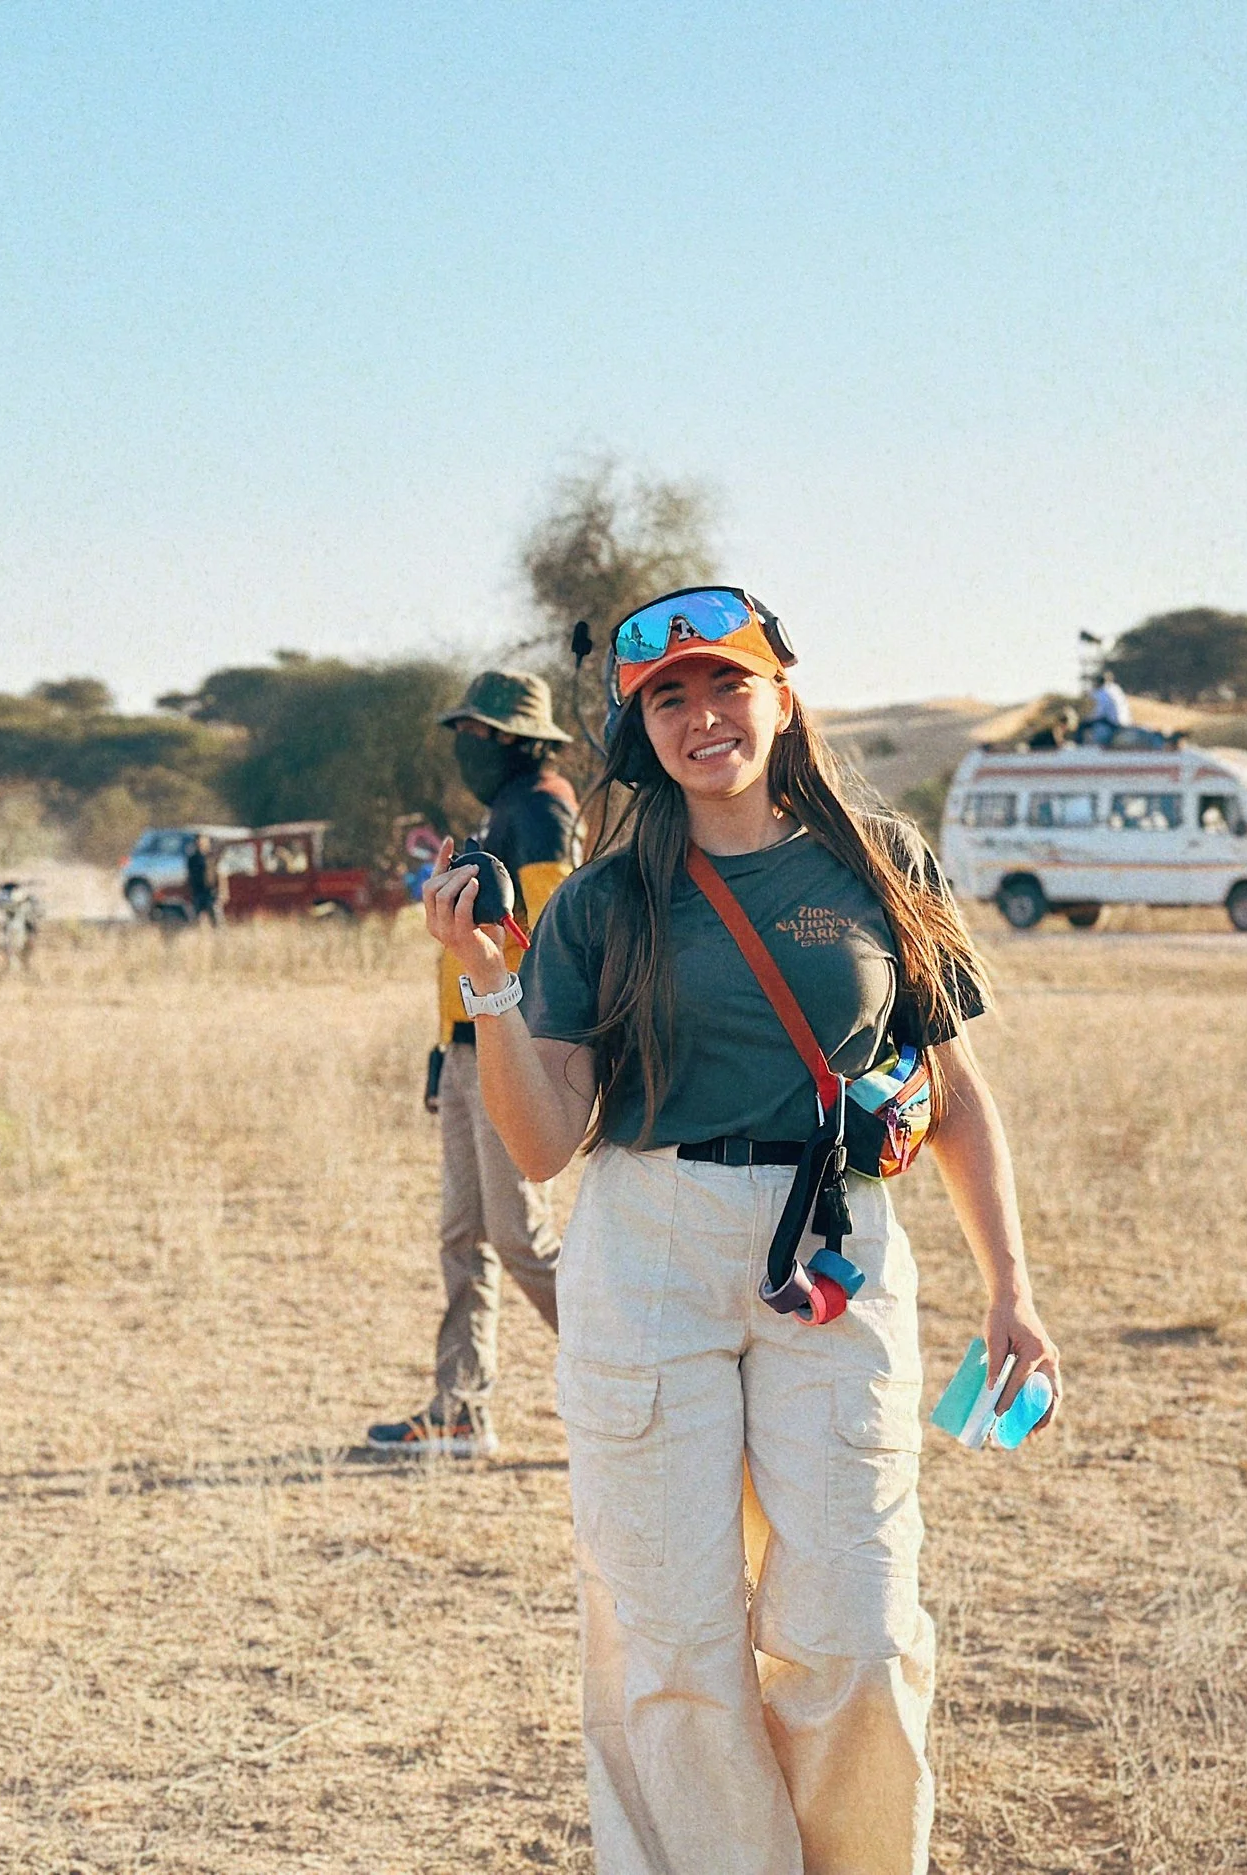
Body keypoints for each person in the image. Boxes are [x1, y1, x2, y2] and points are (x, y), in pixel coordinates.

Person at [425, 588, 1059, 1874]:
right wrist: (489, 982)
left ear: (782, 696)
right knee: (671, 1640)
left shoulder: (883, 865)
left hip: (839, 1247)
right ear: (635, 727)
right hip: (651, 1241)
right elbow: (546, 1143)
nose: (703, 716)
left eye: (727, 685)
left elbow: (957, 1094)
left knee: (859, 1629)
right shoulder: (605, 901)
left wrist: (1013, 1290)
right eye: (668, 697)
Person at [367, 670, 576, 1459]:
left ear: (518, 741)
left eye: (478, 734)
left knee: (518, 1236)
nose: (465, 746)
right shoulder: (504, 809)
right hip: (463, 1047)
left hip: (503, 1042)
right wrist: (444, 1045)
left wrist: (521, 1046)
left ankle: (630, 1373)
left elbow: (553, 935)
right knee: (464, 1232)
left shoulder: (543, 808)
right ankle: (458, 1408)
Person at [1081, 666, 1131, 744]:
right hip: (1126, 722)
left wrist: (1087, 719)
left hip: (1113, 722)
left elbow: (1099, 713)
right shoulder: (1116, 689)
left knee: (1083, 725)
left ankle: (1079, 745)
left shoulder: (1100, 692)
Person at [185, 831, 222, 925]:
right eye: (199, 841)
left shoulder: (212, 857)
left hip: (211, 892)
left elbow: (220, 874)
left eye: (203, 841)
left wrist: (222, 891)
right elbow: (189, 876)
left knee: (215, 919)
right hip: (197, 892)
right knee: (196, 920)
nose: (200, 843)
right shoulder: (192, 859)